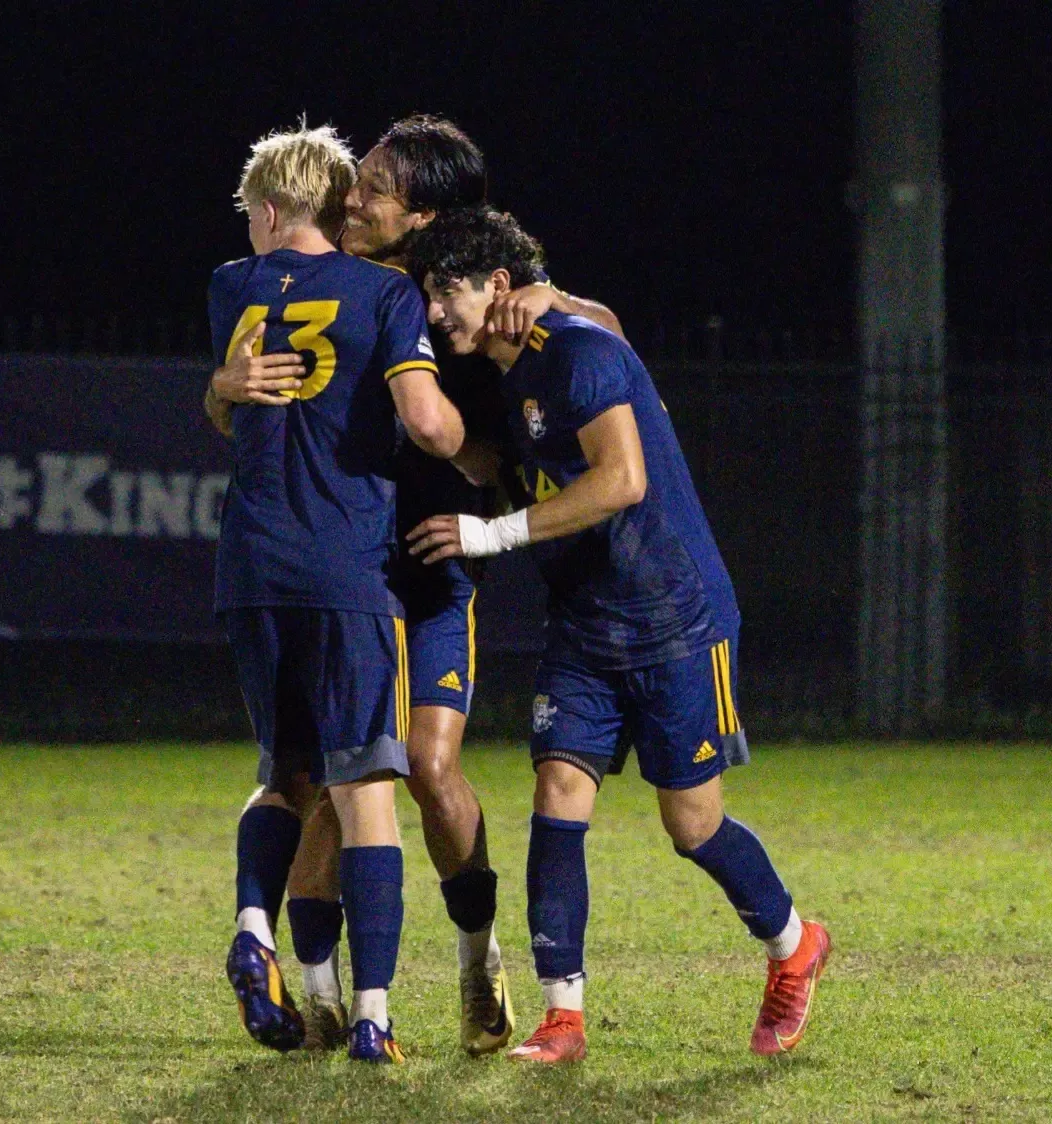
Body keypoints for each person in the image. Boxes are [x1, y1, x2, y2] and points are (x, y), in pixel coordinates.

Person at [206, 114, 622, 1055]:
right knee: (336, 782)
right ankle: (322, 989)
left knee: (422, 768)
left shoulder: (461, 290)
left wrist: (549, 298)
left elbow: (601, 330)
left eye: (379, 188)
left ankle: (477, 959)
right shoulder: (344, 287)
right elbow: (239, 398)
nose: (355, 200)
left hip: (430, 568)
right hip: (345, 563)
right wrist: (222, 387)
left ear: (426, 214)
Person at [406, 207, 831, 1064]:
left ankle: (795, 946)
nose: (433, 313)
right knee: (557, 798)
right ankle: (562, 1018)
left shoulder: (579, 349)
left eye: (445, 292)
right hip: (586, 625)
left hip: (678, 618)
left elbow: (625, 480)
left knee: (692, 825)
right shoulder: (498, 370)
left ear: (498, 286)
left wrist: (491, 533)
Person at [207, 123, 466, 1064]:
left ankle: (252, 926)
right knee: (366, 795)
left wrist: (218, 388)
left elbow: (235, 396)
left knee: (284, 774)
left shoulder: (229, 288)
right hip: (347, 567)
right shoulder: (387, 292)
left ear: (270, 209)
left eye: (248, 212)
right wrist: (469, 444)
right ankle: (373, 1017)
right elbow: (426, 422)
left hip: (251, 567)